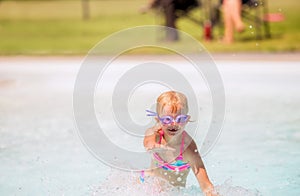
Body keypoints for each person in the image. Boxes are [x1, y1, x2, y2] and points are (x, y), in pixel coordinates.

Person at [142, 91, 217, 195]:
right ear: (158, 120)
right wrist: (155, 147)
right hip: (145, 185)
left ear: (187, 120)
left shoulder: (188, 149)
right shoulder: (155, 135)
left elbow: (207, 186)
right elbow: (148, 144)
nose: (174, 124)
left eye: (180, 119)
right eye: (167, 119)